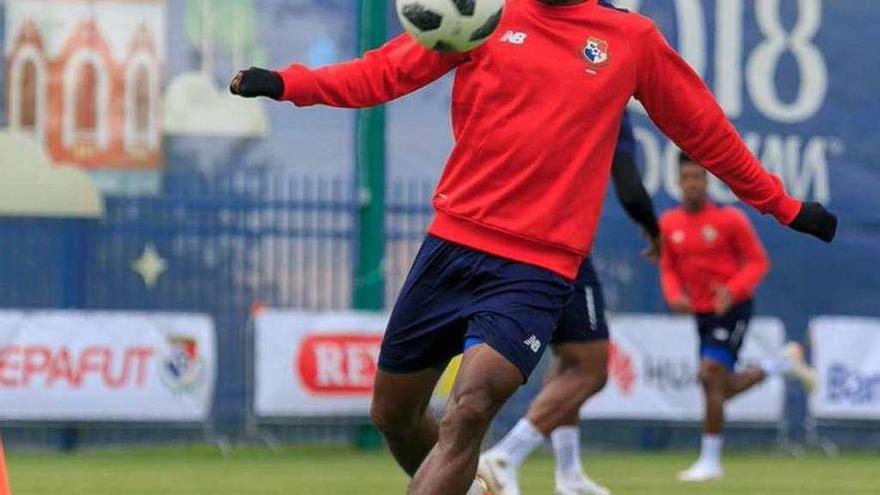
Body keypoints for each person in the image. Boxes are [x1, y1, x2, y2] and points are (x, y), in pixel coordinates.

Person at [229, 1, 837, 493]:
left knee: (470, 410)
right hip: (450, 246)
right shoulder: (481, 16)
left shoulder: (631, 40)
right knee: (393, 415)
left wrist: (783, 206)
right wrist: (288, 83)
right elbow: (383, 71)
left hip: (538, 266)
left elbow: (706, 132)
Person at [478, 112, 657, 495]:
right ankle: (504, 457)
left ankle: (569, 474)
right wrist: (651, 224)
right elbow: (628, 185)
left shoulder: (542, 83)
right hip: (559, 245)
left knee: (570, 361)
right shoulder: (610, 100)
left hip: (509, 233)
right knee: (592, 368)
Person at [659, 151, 818, 483]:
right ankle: (780, 364)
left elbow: (759, 262)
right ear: (677, 183)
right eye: (686, 178)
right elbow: (669, 267)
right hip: (702, 314)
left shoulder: (730, 220)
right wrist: (675, 296)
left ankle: (711, 462)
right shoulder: (669, 224)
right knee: (718, 386)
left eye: (698, 178)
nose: (692, 185)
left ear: (707, 182)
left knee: (709, 374)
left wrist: (731, 290)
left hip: (733, 309)